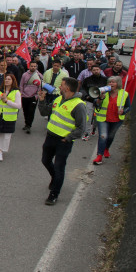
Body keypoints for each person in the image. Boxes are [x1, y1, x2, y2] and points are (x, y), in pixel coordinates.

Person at [37, 77, 87, 205]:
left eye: (62, 85)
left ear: (68, 88)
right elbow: (44, 112)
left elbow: (81, 128)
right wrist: (41, 101)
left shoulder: (78, 105)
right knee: (45, 160)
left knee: (59, 167)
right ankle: (55, 178)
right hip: (50, 136)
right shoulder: (58, 99)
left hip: (63, 141)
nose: (59, 87)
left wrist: (68, 138)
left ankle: (54, 194)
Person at [92, 76, 131, 165]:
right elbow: (96, 104)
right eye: (110, 82)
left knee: (110, 136)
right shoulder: (103, 91)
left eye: (113, 82)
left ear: (118, 84)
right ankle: (99, 155)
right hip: (103, 118)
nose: (111, 84)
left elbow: (128, 106)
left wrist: (123, 111)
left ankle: (106, 149)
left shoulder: (124, 94)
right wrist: (100, 98)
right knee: (103, 136)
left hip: (117, 119)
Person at [0, 73, 22, 161]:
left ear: (13, 81)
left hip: (9, 118)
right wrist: (0, 97)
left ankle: (0, 150)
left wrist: (6, 101)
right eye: (6, 79)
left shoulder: (16, 92)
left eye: (9, 79)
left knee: (6, 135)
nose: (7, 81)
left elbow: (18, 105)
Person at [80, 65, 107, 140]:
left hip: (100, 101)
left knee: (96, 118)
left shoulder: (105, 80)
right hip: (89, 100)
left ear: (100, 70)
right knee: (88, 117)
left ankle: (94, 129)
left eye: (97, 70)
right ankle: (86, 133)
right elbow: (83, 89)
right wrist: (86, 96)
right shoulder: (87, 80)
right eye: (94, 70)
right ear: (91, 71)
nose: (96, 71)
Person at [19, 61, 42, 134]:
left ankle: (29, 125)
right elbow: (21, 84)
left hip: (33, 96)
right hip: (25, 96)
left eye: (34, 66)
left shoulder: (39, 75)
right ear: (29, 66)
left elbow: (40, 86)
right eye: (32, 66)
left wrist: (37, 95)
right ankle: (26, 123)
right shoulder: (24, 75)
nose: (33, 67)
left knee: (31, 112)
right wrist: (21, 93)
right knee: (25, 111)